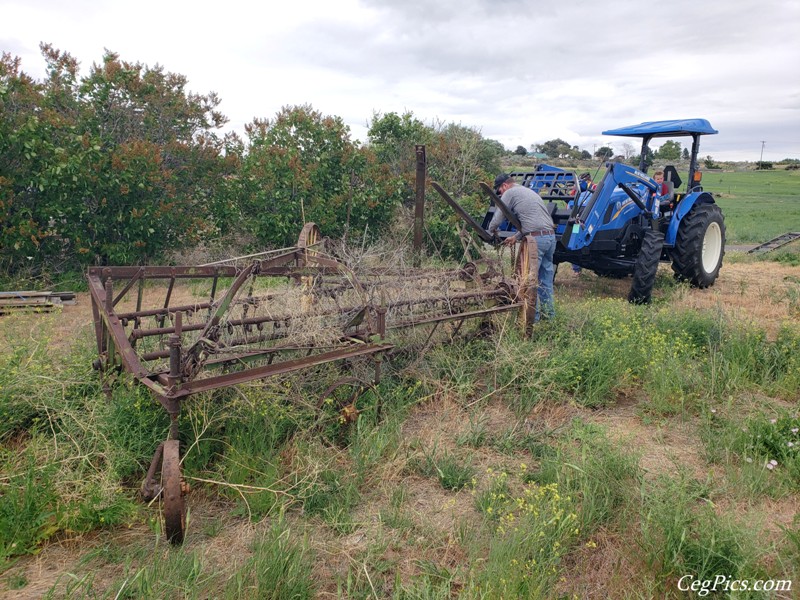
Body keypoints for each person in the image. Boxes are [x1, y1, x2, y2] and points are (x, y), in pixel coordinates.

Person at [488, 173, 556, 320]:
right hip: (550, 237)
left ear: (505, 185)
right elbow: (533, 221)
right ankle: (549, 318)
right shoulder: (527, 191)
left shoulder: (510, 192)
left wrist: (489, 231)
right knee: (545, 280)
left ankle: (532, 319)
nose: (500, 193)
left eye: (499, 190)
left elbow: (500, 214)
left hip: (536, 240)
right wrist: (516, 237)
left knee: (528, 281)